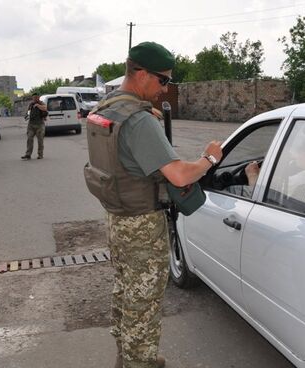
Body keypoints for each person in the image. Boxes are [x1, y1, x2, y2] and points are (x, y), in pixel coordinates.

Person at [84, 41, 223, 368]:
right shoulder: (139, 121)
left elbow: (126, 130)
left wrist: (146, 115)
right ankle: (140, 361)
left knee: (125, 291)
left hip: (116, 218)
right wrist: (208, 159)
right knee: (143, 303)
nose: (166, 89)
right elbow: (177, 175)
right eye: (163, 80)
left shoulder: (110, 105)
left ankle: (126, 356)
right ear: (141, 73)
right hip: (142, 225)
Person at [21, 93, 47, 160]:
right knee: (29, 139)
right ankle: (28, 155)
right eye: (34, 97)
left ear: (38, 97)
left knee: (40, 140)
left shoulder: (41, 103)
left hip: (40, 125)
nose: (35, 99)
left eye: (36, 97)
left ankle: (40, 155)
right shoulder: (31, 104)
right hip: (31, 125)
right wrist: (27, 115)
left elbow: (45, 108)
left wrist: (38, 105)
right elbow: (28, 112)